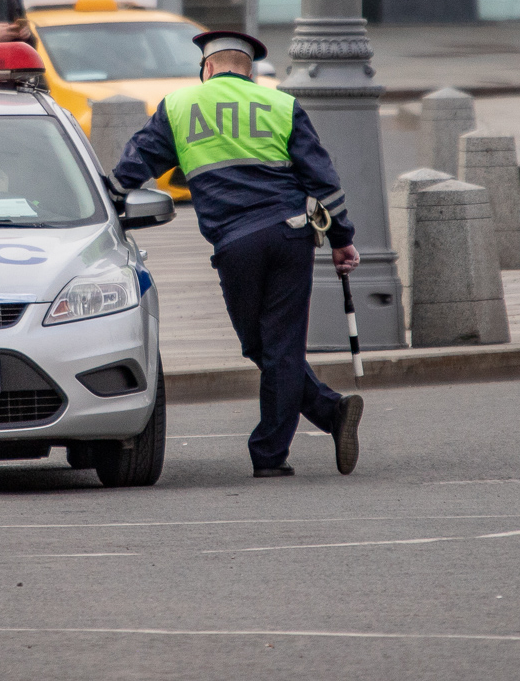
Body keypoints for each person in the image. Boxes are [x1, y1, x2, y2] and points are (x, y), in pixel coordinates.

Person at [113, 29, 364, 479]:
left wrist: (105, 201)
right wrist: (343, 239)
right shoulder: (282, 105)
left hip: (236, 243)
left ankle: (271, 453)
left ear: (207, 68)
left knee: (260, 344)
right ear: (249, 69)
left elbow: (137, 164)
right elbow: (324, 180)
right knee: (278, 347)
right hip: (291, 235)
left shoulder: (180, 106)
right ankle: (330, 412)